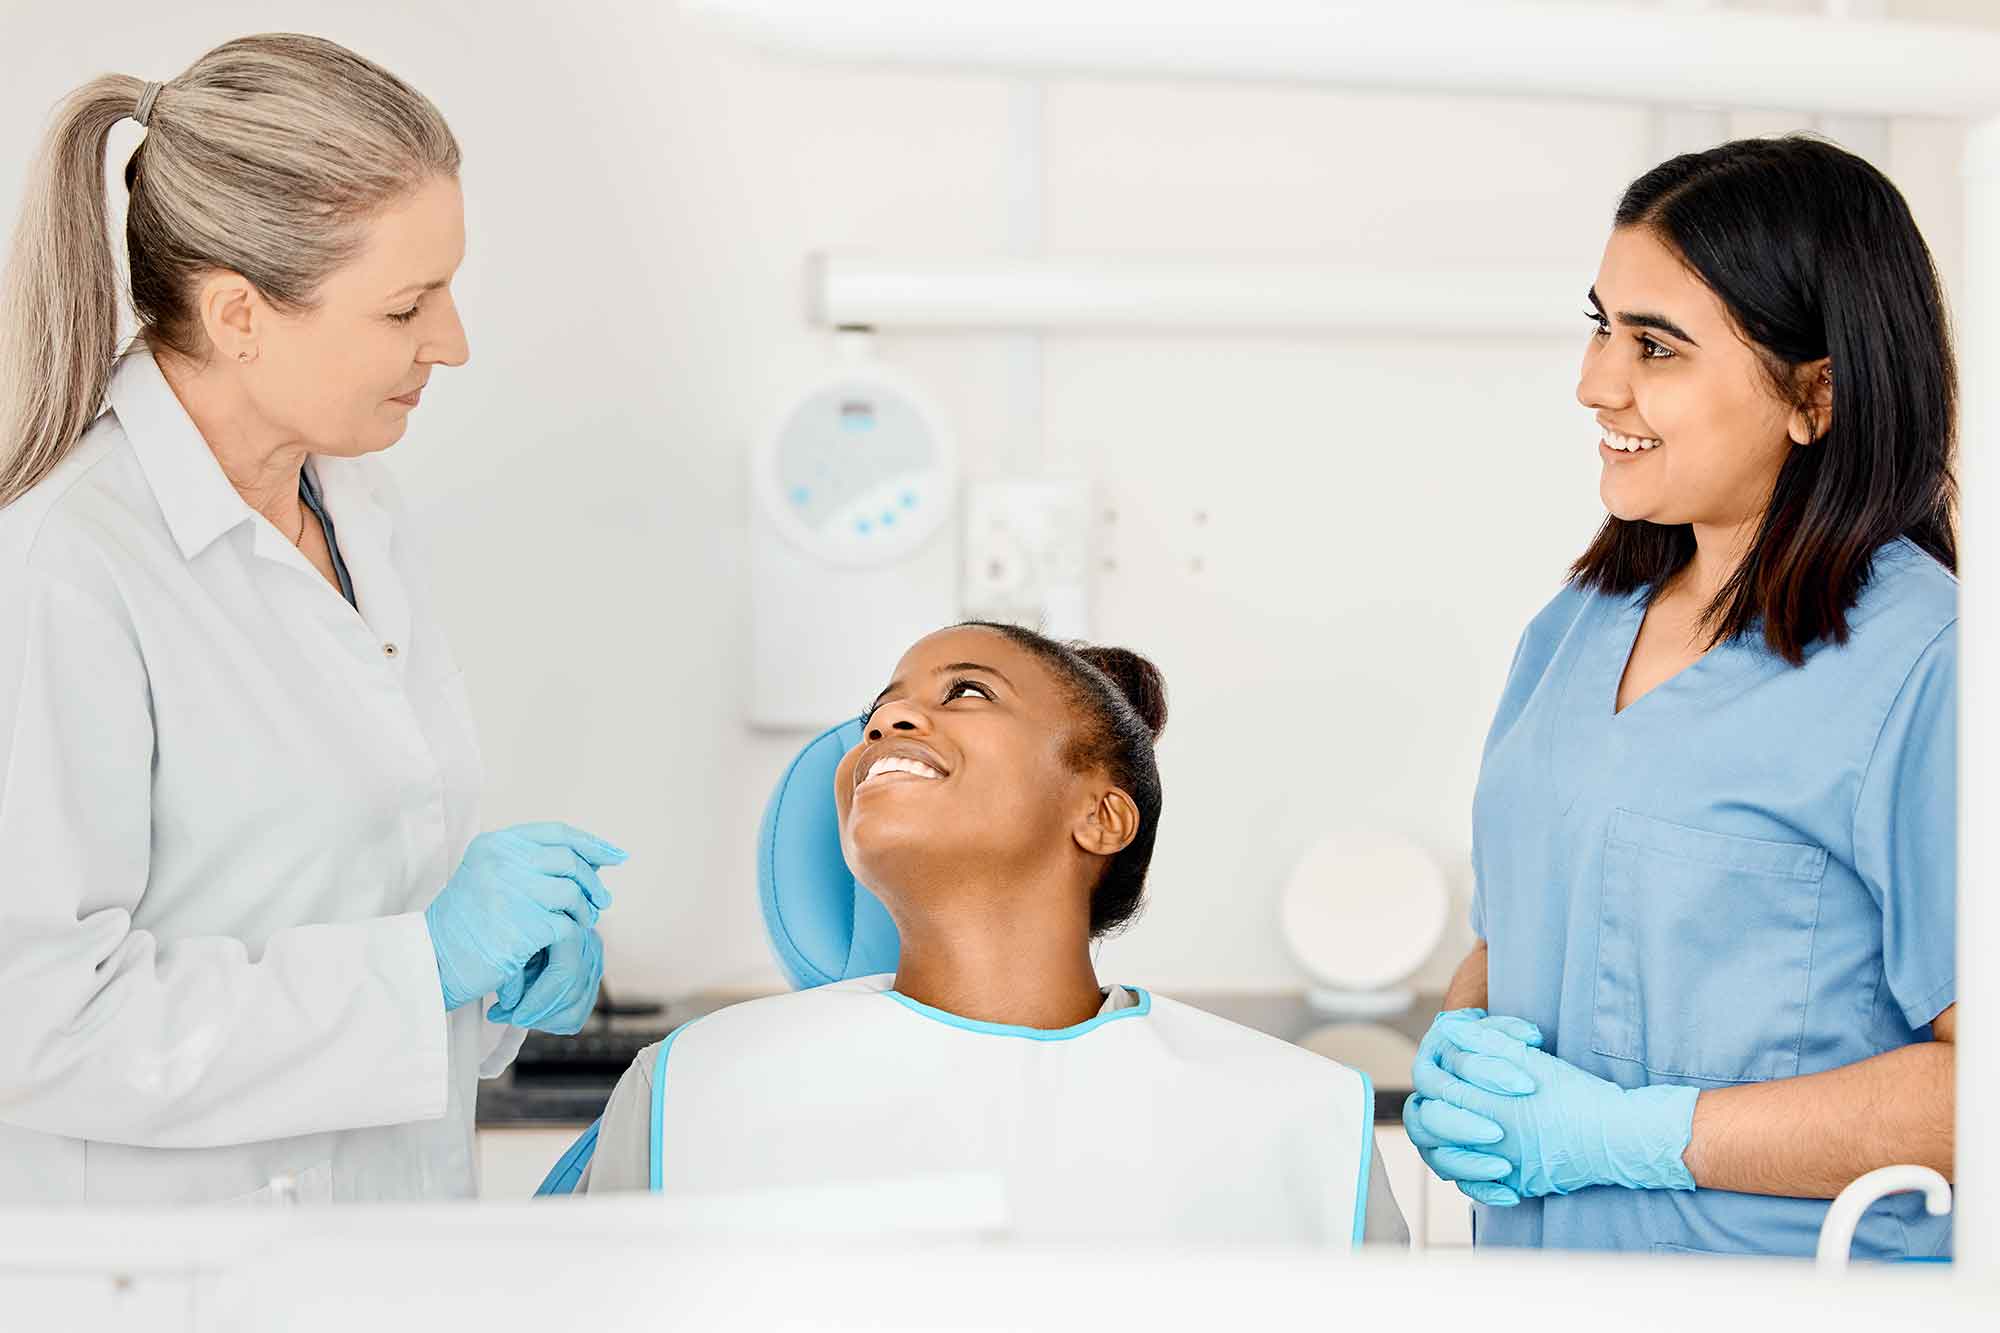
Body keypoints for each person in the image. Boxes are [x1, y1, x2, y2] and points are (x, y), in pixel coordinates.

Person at [0, 34, 624, 1205]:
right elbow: (37, 1024)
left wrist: (483, 975)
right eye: (406, 306)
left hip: (378, 1236)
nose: (452, 341)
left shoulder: (355, 510)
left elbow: (334, 906)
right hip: (160, 1269)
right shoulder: (64, 565)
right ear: (239, 314)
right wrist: (421, 961)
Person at [1404, 135, 1957, 1259]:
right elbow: (1528, 930)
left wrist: (1637, 1134)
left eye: (1654, 346)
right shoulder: (1566, 636)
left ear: (1816, 394)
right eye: (1600, 323)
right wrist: (1463, 1043)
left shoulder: (1931, 666)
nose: (1594, 382)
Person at [573, 622, 1405, 1245]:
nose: (887, 720)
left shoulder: (1304, 1122)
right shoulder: (692, 1088)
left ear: (1102, 815)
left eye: (966, 692)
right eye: (879, 708)